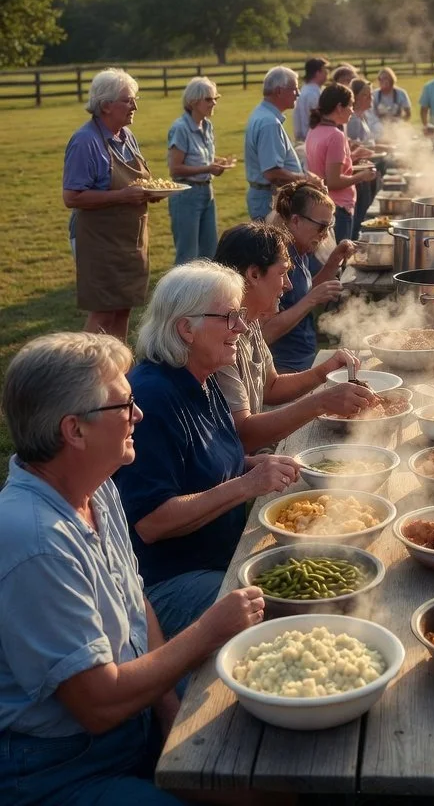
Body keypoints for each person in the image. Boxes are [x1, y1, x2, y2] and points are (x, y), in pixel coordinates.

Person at [0, 331, 265, 806]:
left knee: (269, 772)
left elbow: (136, 604)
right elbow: (99, 705)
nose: (137, 416)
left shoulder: (96, 487)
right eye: (123, 406)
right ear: (73, 431)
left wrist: (167, 709)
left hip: (134, 719)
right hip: (59, 769)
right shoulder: (35, 542)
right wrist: (207, 631)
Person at [114, 262, 300, 638]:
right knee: (292, 615)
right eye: (231, 317)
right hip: (168, 584)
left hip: (219, 557)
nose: (243, 327)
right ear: (186, 328)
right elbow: (152, 521)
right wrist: (247, 485)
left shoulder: (200, 375)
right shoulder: (151, 399)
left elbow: (200, 464)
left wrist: (251, 465)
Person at [214, 222, 376, 438]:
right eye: (282, 273)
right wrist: (321, 402)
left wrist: (323, 371)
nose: (288, 285)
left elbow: (270, 387)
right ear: (253, 274)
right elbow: (243, 433)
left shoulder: (249, 319)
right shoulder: (219, 336)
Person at [63, 68, 156, 341]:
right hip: (99, 241)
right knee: (103, 314)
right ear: (105, 105)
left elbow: (140, 183)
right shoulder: (85, 141)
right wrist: (122, 196)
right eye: (128, 100)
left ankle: (118, 372)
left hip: (131, 238)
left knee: (124, 310)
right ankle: (85, 375)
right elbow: (72, 197)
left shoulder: (127, 136)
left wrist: (152, 192)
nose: (134, 106)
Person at [265, 182, 354, 373]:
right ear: (296, 220)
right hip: (283, 367)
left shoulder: (300, 250)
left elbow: (301, 294)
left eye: (329, 227)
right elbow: (266, 332)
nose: (324, 235)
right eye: (321, 227)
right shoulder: (276, 261)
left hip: (303, 357)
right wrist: (313, 299)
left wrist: (335, 259)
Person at [166, 76, 231, 264]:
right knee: (188, 254)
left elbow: (201, 158)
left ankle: (204, 293)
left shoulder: (207, 125)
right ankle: (180, 294)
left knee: (209, 251)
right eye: (209, 99)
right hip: (186, 194)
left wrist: (217, 162)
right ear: (194, 101)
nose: (214, 103)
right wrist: (209, 167)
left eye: (215, 99)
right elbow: (175, 169)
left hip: (206, 191)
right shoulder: (180, 128)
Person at [244, 66, 319, 221]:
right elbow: (273, 173)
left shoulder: (263, 115)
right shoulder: (270, 123)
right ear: (279, 91)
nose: (298, 94)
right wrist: (305, 179)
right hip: (269, 199)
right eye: (295, 89)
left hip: (266, 197)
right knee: (271, 244)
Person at [305, 83, 376, 243]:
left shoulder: (314, 129)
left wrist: (352, 158)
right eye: (350, 105)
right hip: (338, 209)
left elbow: (324, 169)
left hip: (320, 206)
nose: (352, 110)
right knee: (340, 262)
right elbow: (334, 181)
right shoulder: (335, 135)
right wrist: (362, 176)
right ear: (339, 107)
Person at [348, 78, 382, 234]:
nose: (370, 98)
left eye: (371, 95)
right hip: (358, 173)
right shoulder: (354, 120)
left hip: (365, 171)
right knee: (360, 216)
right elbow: (352, 148)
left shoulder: (362, 116)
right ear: (355, 97)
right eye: (365, 95)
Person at [293, 57, 329, 142]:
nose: (327, 74)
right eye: (324, 71)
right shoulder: (313, 95)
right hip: (315, 139)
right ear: (317, 73)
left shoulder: (304, 91)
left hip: (305, 139)